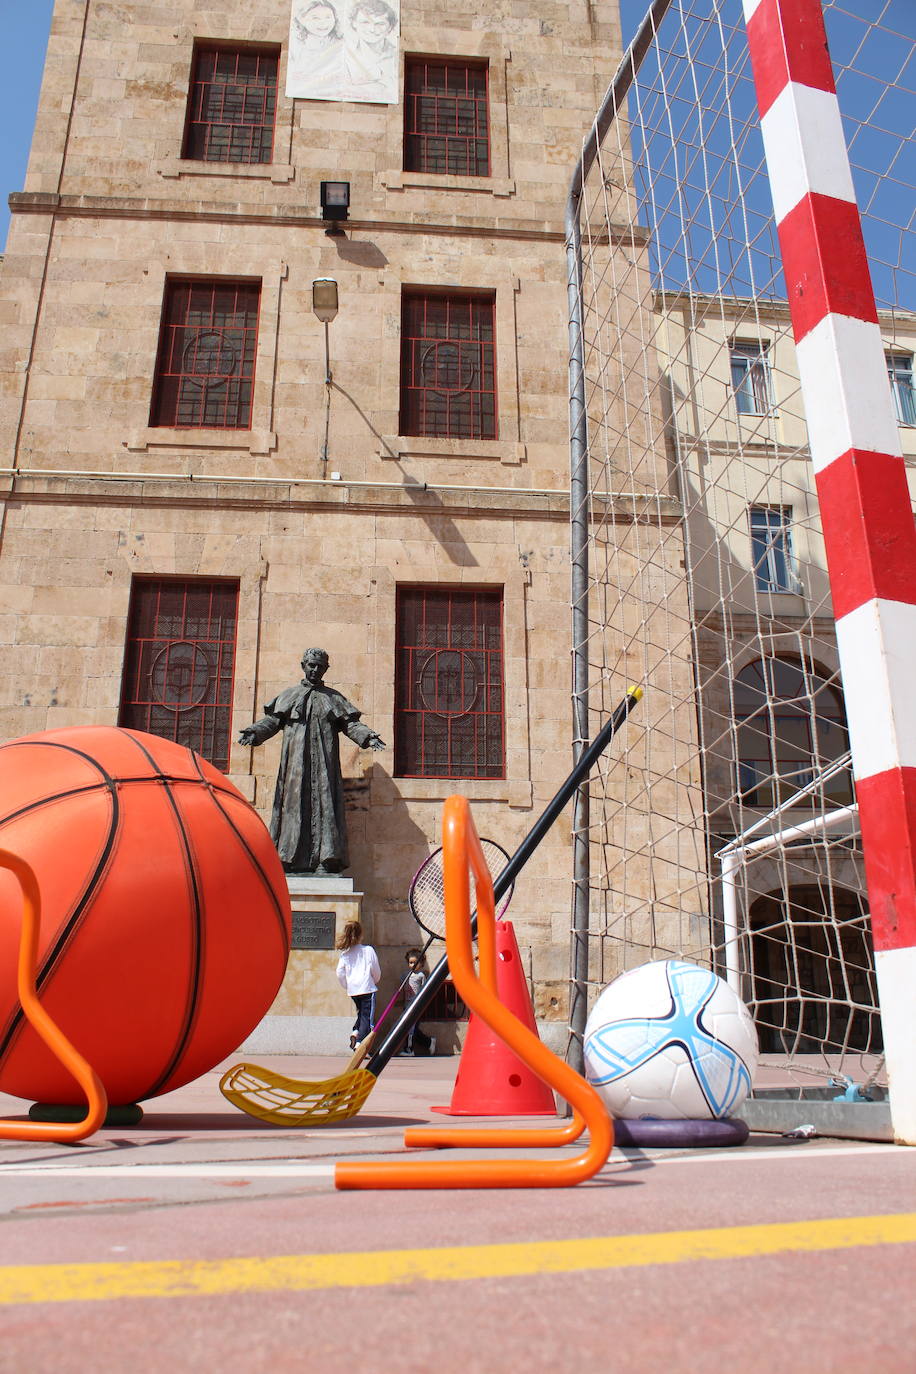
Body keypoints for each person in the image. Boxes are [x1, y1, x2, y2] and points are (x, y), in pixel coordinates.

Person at [238, 648, 385, 875]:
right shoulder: (289, 695)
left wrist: (368, 737)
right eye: (311, 665)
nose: (315, 670)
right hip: (295, 767)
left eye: (320, 666)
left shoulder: (333, 698)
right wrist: (254, 733)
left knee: (325, 806)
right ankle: (288, 859)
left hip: (324, 767)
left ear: (325, 669)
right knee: (293, 807)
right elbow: (271, 721)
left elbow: (350, 724)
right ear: (303, 665)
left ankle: (325, 861)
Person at [286, 0, 345, 101]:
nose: (323, 23)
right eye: (315, 18)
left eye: (328, 17)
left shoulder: (341, 44)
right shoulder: (296, 46)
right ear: (303, 20)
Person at [341, 0, 398, 103]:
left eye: (380, 24)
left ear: (390, 27)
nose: (372, 29)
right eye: (365, 22)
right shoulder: (345, 55)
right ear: (354, 23)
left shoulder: (397, 56)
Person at [336, 920, 380, 1050]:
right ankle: (361, 1044)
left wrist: (347, 985)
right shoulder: (368, 950)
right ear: (361, 934)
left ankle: (355, 1031)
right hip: (367, 987)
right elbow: (376, 970)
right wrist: (374, 981)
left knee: (362, 1013)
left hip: (353, 990)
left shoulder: (345, 954)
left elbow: (339, 972)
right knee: (368, 1018)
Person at [399, 947, 436, 1056]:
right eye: (411, 963)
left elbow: (425, 990)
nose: (413, 965)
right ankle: (429, 1042)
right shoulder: (406, 975)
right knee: (407, 1028)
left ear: (421, 963)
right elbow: (401, 986)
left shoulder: (421, 976)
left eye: (415, 962)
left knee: (411, 1029)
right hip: (407, 1005)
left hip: (416, 1006)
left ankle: (409, 1050)